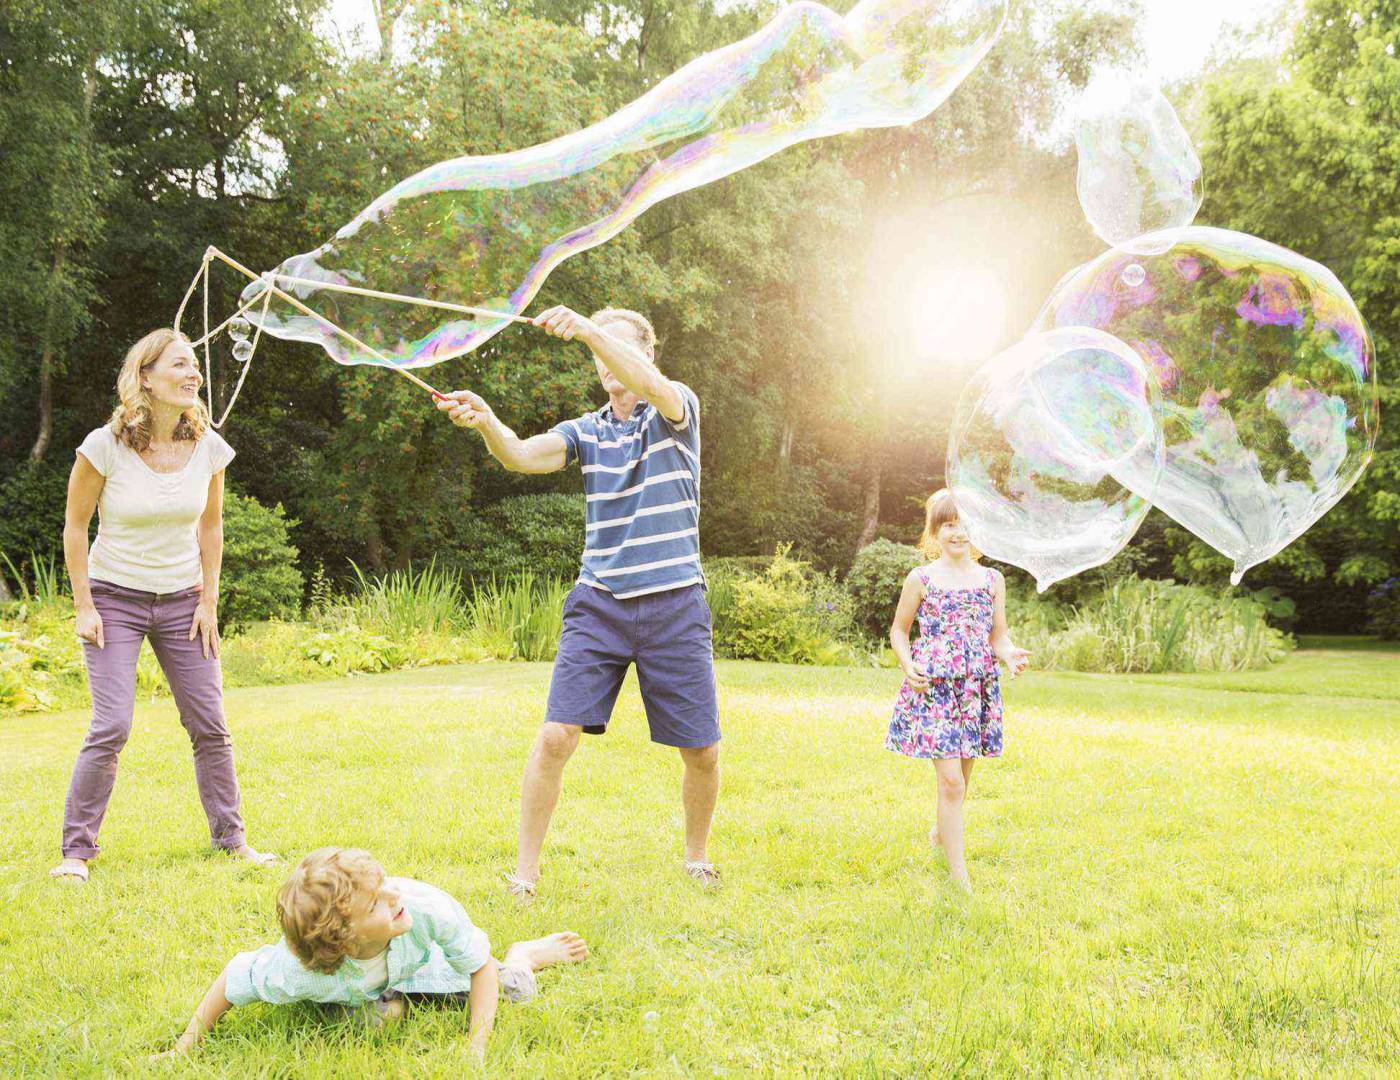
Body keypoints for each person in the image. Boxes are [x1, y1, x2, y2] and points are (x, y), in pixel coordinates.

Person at [437, 305, 721, 897]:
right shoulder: (586, 430)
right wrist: (488, 423)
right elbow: (521, 455)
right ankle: (525, 875)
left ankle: (696, 858)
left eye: (615, 346)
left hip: (674, 601)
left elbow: (652, 386)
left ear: (646, 353)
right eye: (596, 350)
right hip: (600, 603)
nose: (604, 359)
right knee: (555, 737)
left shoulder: (676, 408)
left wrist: (590, 329)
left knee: (701, 750)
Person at [49, 328, 276, 883]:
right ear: (145, 378)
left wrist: (208, 601)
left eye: (194, 364)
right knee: (111, 725)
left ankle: (232, 841)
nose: (192, 373)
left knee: (210, 725)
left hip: (182, 601)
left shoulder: (209, 447)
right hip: (114, 598)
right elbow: (75, 526)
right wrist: (84, 605)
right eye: (179, 364)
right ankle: (76, 853)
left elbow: (211, 526)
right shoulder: (104, 446)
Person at [152, 847, 588, 1059]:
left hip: (429, 970)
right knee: (370, 1024)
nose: (394, 895)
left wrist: (476, 1046)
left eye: (384, 883)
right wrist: (185, 1045)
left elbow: (477, 967)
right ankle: (391, 1004)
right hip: (358, 988)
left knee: (513, 989)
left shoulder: (422, 907)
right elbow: (235, 976)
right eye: (375, 902)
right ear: (343, 939)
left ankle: (525, 955)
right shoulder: (298, 971)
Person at [886, 489, 1029, 892]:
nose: (958, 532)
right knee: (951, 783)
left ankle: (940, 831)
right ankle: (959, 877)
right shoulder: (922, 578)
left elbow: (997, 635)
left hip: (975, 688)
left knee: (962, 780)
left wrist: (1009, 653)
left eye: (964, 523)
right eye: (948, 524)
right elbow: (899, 630)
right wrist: (907, 663)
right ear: (935, 531)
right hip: (935, 688)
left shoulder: (992, 580)